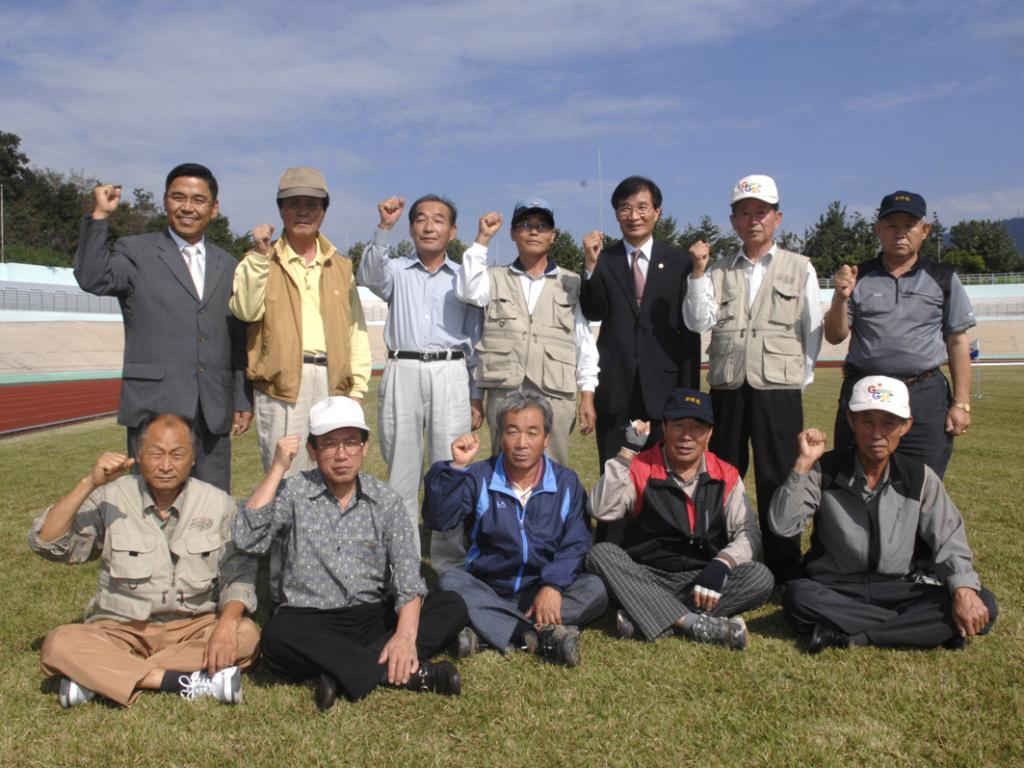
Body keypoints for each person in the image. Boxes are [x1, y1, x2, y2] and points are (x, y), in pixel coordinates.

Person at [233, 397, 467, 710]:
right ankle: (402, 672)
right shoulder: (294, 492)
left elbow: (408, 576)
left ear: (365, 448)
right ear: (313, 451)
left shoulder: (385, 500)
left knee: (450, 605)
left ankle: (335, 671)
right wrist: (277, 468)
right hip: (309, 618)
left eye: (351, 443)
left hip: (371, 615)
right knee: (276, 637)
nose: (342, 455)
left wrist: (405, 636)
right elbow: (248, 538)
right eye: (330, 444)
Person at [29, 413, 259, 708]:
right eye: (156, 453)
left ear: (193, 458)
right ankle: (175, 680)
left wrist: (226, 625)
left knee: (247, 636)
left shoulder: (218, 503)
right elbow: (48, 543)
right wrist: (88, 483)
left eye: (177, 455)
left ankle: (98, 676)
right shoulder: (110, 497)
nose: (166, 466)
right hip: (121, 628)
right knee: (59, 643)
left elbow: (237, 572)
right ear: (138, 455)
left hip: (192, 627)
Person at [770, 376, 997, 652]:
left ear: (906, 426)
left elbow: (949, 537)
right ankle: (919, 630)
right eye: (867, 421)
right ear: (851, 422)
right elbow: (783, 526)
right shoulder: (825, 470)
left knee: (983, 602)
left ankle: (852, 637)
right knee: (798, 598)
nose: (877, 433)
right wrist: (803, 464)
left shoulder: (919, 477)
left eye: (888, 423)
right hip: (835, 587)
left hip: (898, 587)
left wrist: (963, 588)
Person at [74, 165, 252, 493]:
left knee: (211, 506)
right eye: (178, 197)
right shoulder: (136, 251)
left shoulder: (229, 265)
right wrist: (100, 216)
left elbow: (237, 336)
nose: (188, 207)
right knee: (152, 507)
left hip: (213, 409)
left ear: (214, 209)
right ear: (165, 201)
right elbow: (93, 278)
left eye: (199, 200)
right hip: (155, 405)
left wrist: (242, 397)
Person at [684, 174, 822, 584]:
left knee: (779, 475)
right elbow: (698, 321)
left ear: (777, 218)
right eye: (744, 213)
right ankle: (717, 555)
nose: (753, 220)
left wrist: (796, 378)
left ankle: (783, 566)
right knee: (722, 474)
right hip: (727, 387)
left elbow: (811, 331)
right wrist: (696, 273)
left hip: (778, 388)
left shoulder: (801, 267)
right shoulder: (717, 269)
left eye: (761, 212)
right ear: (732, 221)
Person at [422, 392, 608, 666]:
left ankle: (487, 631)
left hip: (541, 590)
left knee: (595, 589)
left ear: (546, 439)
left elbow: (577, 542)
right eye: (512, 432)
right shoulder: (479, 476)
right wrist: (456, 469)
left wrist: (553, 585)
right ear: (499, 436)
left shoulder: (566, 482)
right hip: (489, 589)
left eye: (532, 433)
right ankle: (535, 635)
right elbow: (439, 519)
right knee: (451, 584)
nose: (522, 443)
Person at [587, 389, 773, 651]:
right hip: (647, 574)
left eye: (697, 427)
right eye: (678, 426)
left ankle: (645, 615)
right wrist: (627, 452)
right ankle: (691, 622)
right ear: (664, 427)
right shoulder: (641, 466)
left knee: (760, 577)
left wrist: (722, 564)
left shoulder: (726, 474)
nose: (686, 436)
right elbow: (601, 510)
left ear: (710, 433)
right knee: (601, 555)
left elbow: (747, 532)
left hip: (702, 578)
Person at [357, 195, 483, 572]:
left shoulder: (465, 277)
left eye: (439, 220)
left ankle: (448, 563)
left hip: (451, 371)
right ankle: (403, 560)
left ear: (453, 230)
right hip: (403, 369)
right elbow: (368, 274)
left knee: (451, 467)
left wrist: (476, 395)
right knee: (403, 466)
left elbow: (476, 339)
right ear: (411, 227)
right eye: (421, 220)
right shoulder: (395, 270)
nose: (429, 226)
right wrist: (383, 227)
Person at [229, 167, 371, 477]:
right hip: (282, 388)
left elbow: (355, 332)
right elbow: (246, 312)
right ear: (280, 210)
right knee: (285, 476)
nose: (303, 211)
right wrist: (259, 255)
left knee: (335, 474)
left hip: (334, 385)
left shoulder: (342, 266)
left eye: (312, 204)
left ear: (324, 210)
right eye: (293, 204)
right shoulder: (257, 260)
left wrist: (357, 390)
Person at [823, 190, 975, 478]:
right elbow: (834, 336)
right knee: (854, 479)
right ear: (878, 229)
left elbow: (957, 342)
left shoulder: (943, 278)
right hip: (866, 392)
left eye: (909, 226)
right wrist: (840, 298)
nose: (900, 233)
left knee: (922, 481)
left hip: (923, 393)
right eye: (891, 226)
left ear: (925, 230)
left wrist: (961, 403)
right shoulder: (859, 276)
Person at [455, 198, 598, 466]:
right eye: (525, 225)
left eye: (542, 226)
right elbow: (467, 291)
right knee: (504, 464)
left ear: (553, 236)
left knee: (553, 467)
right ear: (512, 233)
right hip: (504, 389)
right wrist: (482, 239)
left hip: (555, 392)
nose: (534, 231)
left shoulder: (572, 282)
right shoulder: (493, 277)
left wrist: (587, 396)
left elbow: (584, 344)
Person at [580, 175, 702, 470]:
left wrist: (689, 395)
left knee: (662, 475)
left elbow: (688, 333)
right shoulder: (603, 260)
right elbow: (594, 310)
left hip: (664, 392)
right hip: (615, 388)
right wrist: (590, 265)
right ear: (616, 215)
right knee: (615, 473)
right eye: (625, 208)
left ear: (657, 212)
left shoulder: (679, 263)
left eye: (642, 207)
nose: (633, 216)